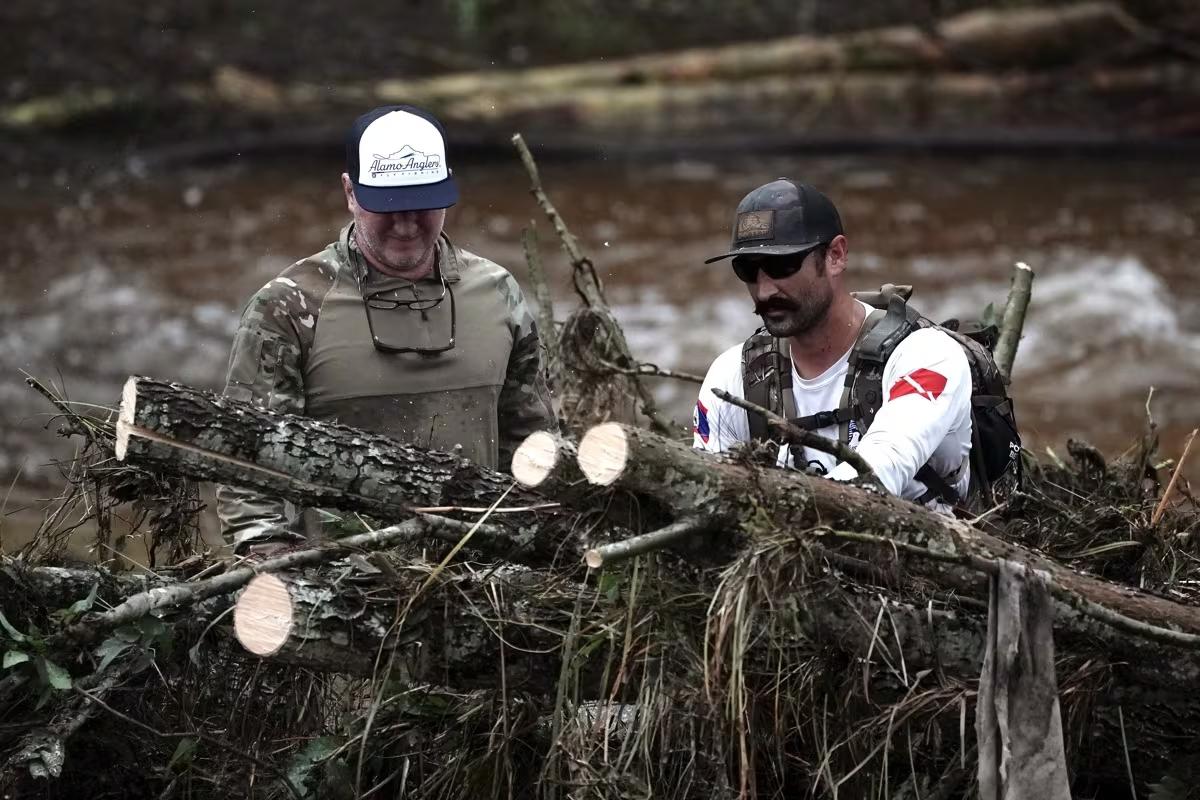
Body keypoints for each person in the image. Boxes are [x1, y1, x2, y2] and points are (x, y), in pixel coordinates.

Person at [216, 104, 556, 554]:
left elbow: (532, 448)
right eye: (389, 205)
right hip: (343, 591)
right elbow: (248, 476)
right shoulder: (288, 307)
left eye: (421, 205)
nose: (406, 224)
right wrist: (287, 575)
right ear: (350, 192)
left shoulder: (497, 294)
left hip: (481, 581)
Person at [693, 178, 977, 512]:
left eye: (782, 265)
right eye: (748, 270)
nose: (765, 290)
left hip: (921, 556)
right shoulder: (733, 377)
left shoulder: (926, 357)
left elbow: (883, 467)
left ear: (835, 256)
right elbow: (708, 496)